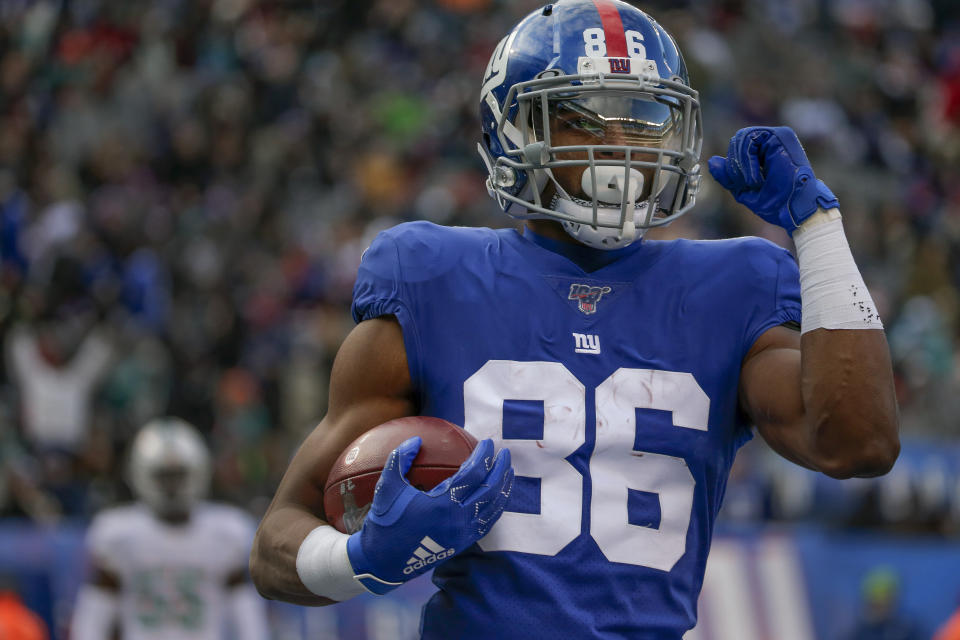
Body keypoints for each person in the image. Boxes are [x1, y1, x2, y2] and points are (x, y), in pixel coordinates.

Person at [250, 1, 900, 637]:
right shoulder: (433, 278)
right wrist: (358, 561)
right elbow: (279, 539)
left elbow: (858, 444)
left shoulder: (733, 288)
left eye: (643, 117)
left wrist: (818, 229)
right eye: (584, 116)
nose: (619, 142)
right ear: (516, 130)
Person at [71, 418, 268, 640]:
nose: (172, 486)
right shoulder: (118, 534)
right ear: (140, 473)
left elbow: (248, 619)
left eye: (178, 476)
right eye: (164, 477)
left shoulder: (226, 532)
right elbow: (93, 620)